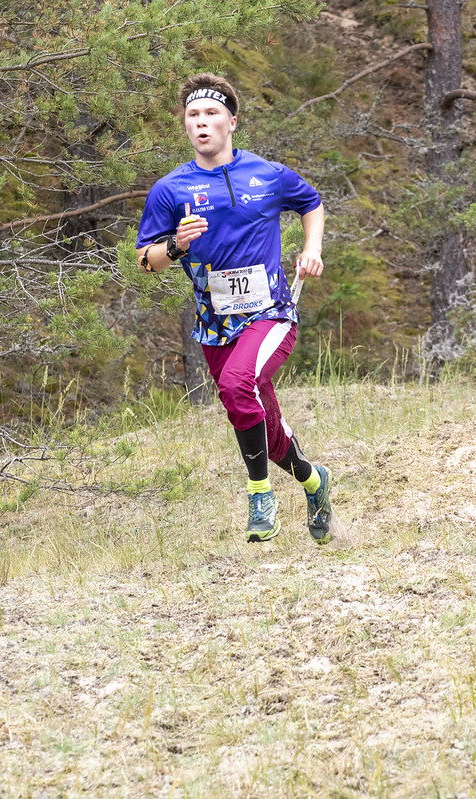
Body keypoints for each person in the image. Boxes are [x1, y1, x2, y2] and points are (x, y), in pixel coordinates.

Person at [136, 72, 333, 543]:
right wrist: (176, 246)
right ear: (185, 125)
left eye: (211, 113)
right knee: (257, 418)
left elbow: (311, 202)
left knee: (237, 383)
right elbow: (146, 260)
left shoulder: (267, 173)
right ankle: (314, 481)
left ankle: (260, 495)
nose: (201, 122)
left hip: (270, 312)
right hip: (214, 325)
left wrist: (312, 249)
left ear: (232, 122)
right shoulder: (170, 189)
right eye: (193, 115)